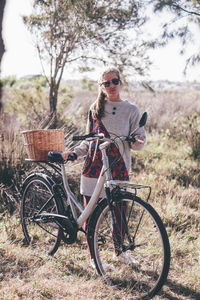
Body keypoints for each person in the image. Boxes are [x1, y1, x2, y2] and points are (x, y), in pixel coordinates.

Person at [62, 66, 146, 267]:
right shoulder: (95, 109)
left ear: (121, 82)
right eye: (106, 83)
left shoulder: (131, 110)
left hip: (118, 168)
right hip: (93, 168)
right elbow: (88, 141)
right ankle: (93, 258)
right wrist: (74, 153)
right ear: (101, 86)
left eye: (114, 81)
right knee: (91, 217)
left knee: (120, 214)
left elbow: (140, 139)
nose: (111, 86)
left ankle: (120, 251)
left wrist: (138, 140)